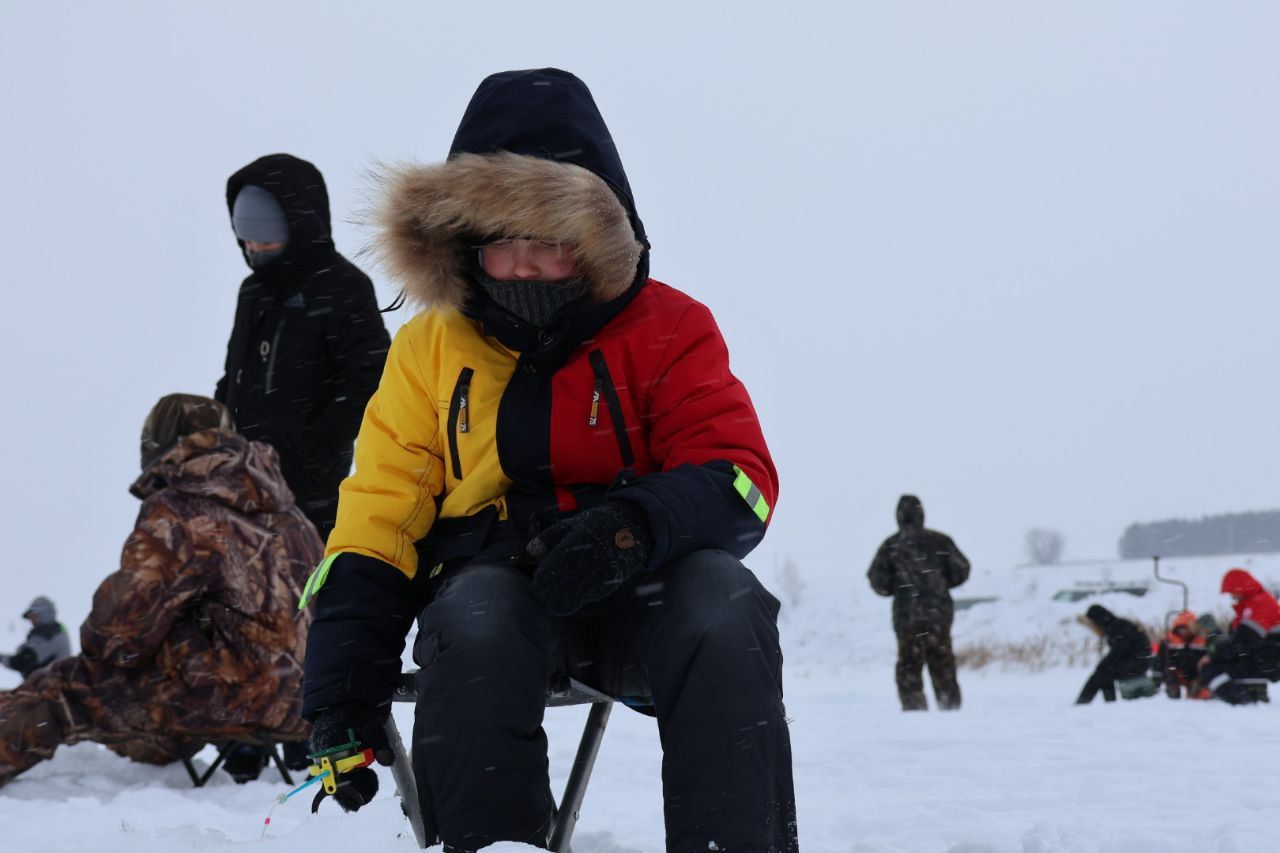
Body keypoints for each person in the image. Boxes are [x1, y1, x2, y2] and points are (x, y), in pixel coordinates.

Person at [299, 68, 795, 852]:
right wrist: (341, 685)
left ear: (595, 239)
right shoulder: (428, 350)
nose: (524, 266)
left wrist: (629, 530)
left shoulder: (671, 327)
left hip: (643, 593)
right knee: (475, 615)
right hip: (498, 596)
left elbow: (738, 476)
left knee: (724, 601)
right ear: (465, 244)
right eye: (504, 244)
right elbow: (378, 519)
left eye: (550, 242)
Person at [0, 395, 322, 787]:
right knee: (164, 674)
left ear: (159, 443)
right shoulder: (293, 515)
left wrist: (108, 636)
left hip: (229, 697)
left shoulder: (180, 508)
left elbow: (118, 633)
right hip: (306, 701)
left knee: (60, 688)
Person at [216, 154, 391, 541]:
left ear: (297, 222)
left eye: (265, 237)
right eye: (247, 239)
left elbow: (372, 375)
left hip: (309, 491)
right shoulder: (253, 292)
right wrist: (220, 435)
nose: (255, 249)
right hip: (240, 477)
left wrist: (315, 448)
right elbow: (234, 374)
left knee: (302, 589)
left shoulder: (343, 286)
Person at [867, 494, 970, 710]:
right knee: (943, 664)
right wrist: (940, 585)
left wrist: (897, 588)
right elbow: (962, 570)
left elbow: (877, 580)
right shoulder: (940, 541)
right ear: (921, 513)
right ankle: (950, 708)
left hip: (907, 619)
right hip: (938, 616)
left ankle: (914, 710)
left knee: (909, 666)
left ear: (899, 516)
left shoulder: (892, 545)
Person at [1197, 568, 1280, 704]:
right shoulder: (1259, 603)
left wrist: (1212, 655)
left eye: (1232, 593)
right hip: (1266, 659)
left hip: (1264, 662)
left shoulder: (1258, 606)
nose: (1233, 597)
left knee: (1209, 668)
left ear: (1240, 589)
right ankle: (1235, 696)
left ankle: (1239, 700)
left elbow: (1244, 642)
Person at [1075, 604, 1153, 703]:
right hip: (1139, 662)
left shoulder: (1118, 627)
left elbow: (1118, 651)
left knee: (1101, 673)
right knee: (1104, 673)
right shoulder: (1118, 625)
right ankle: (1108, 702)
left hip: (1137, 664)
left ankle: (1084, 702)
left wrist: (1102, 665)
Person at [0, 597, 71, 680]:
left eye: (33, 616)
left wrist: (2, 658)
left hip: (50, 687)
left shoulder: (47, 634)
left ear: (44, 615)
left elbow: (23, 661)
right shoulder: (54, 631)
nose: (31, 621)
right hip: (49, 685)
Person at [1152, 611, 1208, 699]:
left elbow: (1207, 663)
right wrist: (1157, 679)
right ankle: (1173, 691)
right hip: (1176, 674)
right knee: (1170, 669)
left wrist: (1199, 680)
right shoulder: (1168, 641)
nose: (1183, 632)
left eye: (1186, 629)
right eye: (1180, 629)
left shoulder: (1203, 641)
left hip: (1197, 676)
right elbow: (1160, 660)